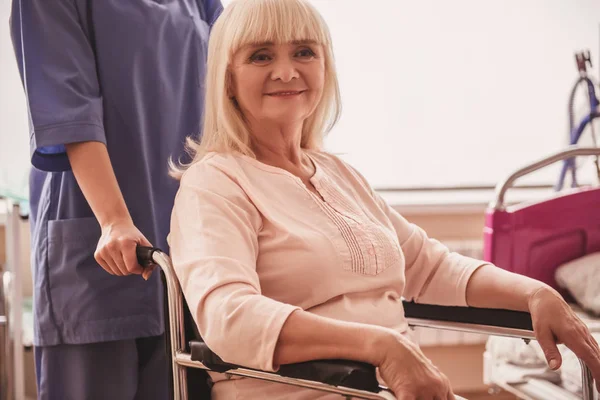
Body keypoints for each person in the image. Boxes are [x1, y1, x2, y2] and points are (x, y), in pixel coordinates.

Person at [167, 0, 600, 399]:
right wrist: (382, 347)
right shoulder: (215, 184)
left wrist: (535, 293)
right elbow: (229, 317)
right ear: (227, 79)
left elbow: (429, 266)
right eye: (261, 56)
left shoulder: (339, 174)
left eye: (304, 52)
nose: (286, 71)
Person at [9, 0, 223, 399]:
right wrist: (113, 219)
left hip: (190, 243)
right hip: (96, 237)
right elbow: (69, 111)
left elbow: (236, 84)